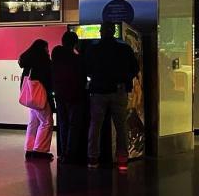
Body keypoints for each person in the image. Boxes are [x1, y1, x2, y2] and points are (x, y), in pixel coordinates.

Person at [84, 22, 139, 169]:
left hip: (98, 91)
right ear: (114, 32)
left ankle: (93, 159)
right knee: (121, 126)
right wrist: (124, 79)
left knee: (95, 126)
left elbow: (86, 69)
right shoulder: (125, 49)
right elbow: (135, 68)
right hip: (119, 90)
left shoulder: (93, 49)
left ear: (101, 32)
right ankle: (122, 160)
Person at [51, 30, 85, 164]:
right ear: (75, 43)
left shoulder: (56, 54)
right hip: (75, 96)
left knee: (63, 124)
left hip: (59, 94)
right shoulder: (77, 59)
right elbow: (82, 76)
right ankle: (70, 154)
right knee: (73, 125)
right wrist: (79, 50)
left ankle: (63, 153)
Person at [19, 39, 54, 158]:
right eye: (46, 48)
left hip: (31, 99)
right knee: (47, 122)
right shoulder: (43, 63)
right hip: (40, 98)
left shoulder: (28, 64)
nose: (48, 51)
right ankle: (40, 150)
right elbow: (49, 81)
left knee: (33, 122)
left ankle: (29, 148)